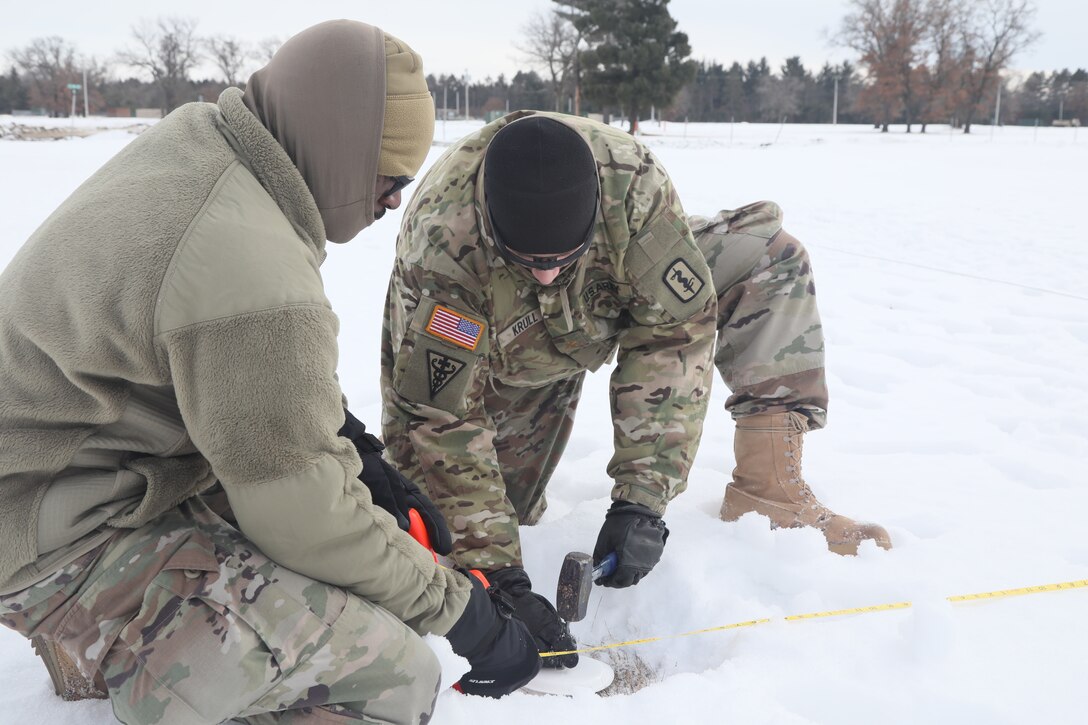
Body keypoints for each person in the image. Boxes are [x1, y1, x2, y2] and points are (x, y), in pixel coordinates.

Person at [0, 20, 538, 724]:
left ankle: (115, 638)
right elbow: (302, 517)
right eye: (390, 177)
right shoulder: (246, 261)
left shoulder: (209, 149)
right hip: (47, 533)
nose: (396, 200)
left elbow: (240, 365)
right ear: (343, 150)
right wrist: (466, 616)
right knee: (394, 670)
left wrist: (363, 460)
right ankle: (136, 658)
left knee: (350, 550)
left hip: (70, 471)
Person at [380, 112, 892, 667]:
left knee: (768, 255)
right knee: (448, 534)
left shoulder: (632, 190)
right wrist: (497, 573)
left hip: (607, 296)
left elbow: (674, 332)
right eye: (531, 262)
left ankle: (770, 489)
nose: (548, 276)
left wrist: (643, 500)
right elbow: (441, 417)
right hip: (503, 354)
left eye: (561, 259)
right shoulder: (443, 247)